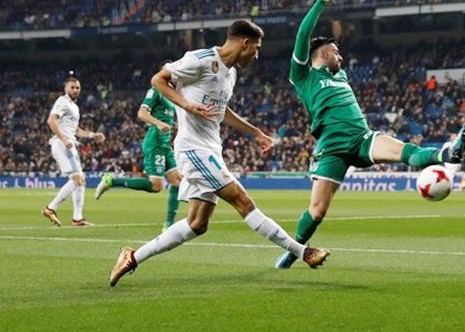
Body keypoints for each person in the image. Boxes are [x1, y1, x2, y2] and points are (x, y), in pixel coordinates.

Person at [109, 20, 329, 287]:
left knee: (197, 224)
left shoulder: (231, 73)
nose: (257, 55)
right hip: (193, 149)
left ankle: (132, 256)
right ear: (244, 43)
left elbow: (223, 110)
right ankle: (303, 252)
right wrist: (187, 105)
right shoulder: (200, 60)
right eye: (256, 49)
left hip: (211, 148)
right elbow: (158, 80)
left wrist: (255, 131)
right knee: (242, 201)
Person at [274, 0, 465, 269]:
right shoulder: (303, 76)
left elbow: (336, 63)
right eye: (336, 52)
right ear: (322, 53)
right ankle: (294, 249)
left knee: (407, 152)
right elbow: (303, 36)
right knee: (317, 211)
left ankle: (448, 155)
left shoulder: (340, 75)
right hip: (332, 147)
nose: (340, 57)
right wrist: (321, 3)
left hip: (362, 138)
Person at [95, 86, 183, 231]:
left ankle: (169, 225)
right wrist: (158, 123)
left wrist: (174, 125)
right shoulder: (157, 91)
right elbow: (142, 113)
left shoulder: (172, 95)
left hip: (165, 144)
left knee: (177, 181)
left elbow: (165, 117)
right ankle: (112, 181)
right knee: (156, 186)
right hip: (155, 142)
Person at [42, 75, 105, 227]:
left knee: (81, 181)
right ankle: (51, 208)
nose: (75, 90)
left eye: (77, 88)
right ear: (66, 88)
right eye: (72, 87)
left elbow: (75, 130)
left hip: (69, 143)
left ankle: (77, 218)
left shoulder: (74, 107)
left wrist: (92, 135)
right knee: (78, 180)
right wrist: (64, 139)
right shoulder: (62, 101)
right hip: (63, 144)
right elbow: (51, 120)